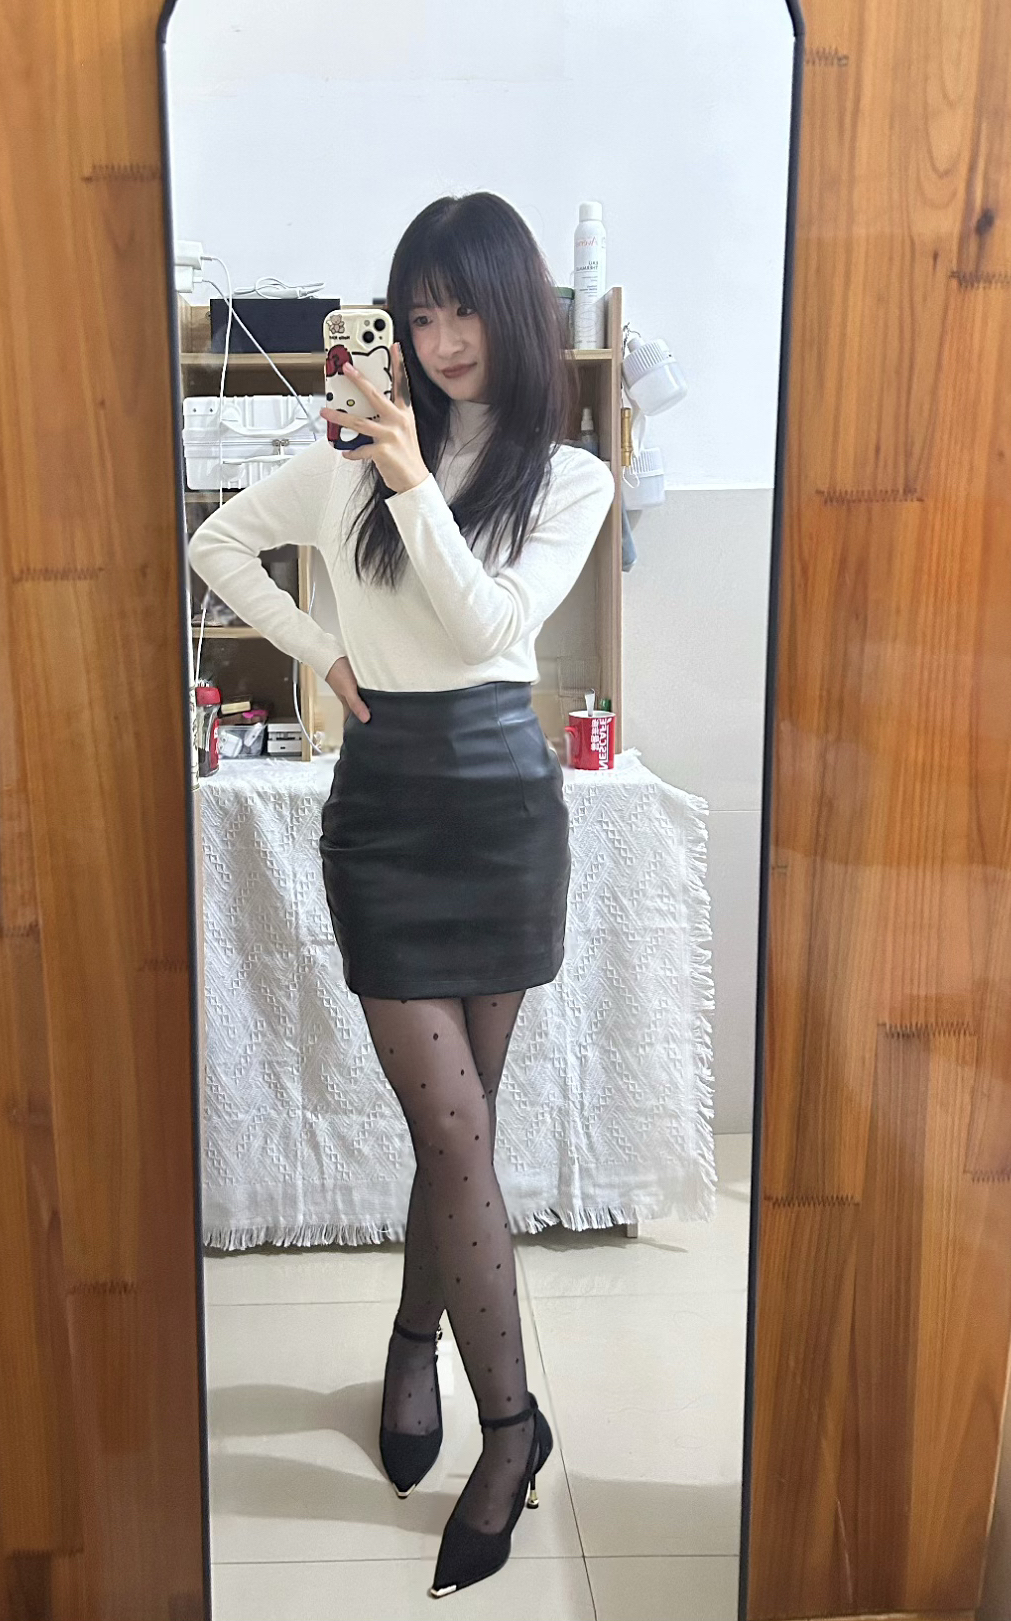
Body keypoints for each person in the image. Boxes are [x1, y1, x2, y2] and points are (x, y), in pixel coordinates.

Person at [187, 190, 615, 1597]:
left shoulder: (566, 475)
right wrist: (319, 649)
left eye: (461, 309)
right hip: (383, 813)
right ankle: (513, 1427)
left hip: (500, 807)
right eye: (417, 314)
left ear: (515, 310)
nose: (438, 341)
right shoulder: (345, 465)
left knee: (462, 1129)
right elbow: (214, 545)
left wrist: (415, 482)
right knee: (451, 1122)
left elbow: (491, 627)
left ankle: (415, 1342)